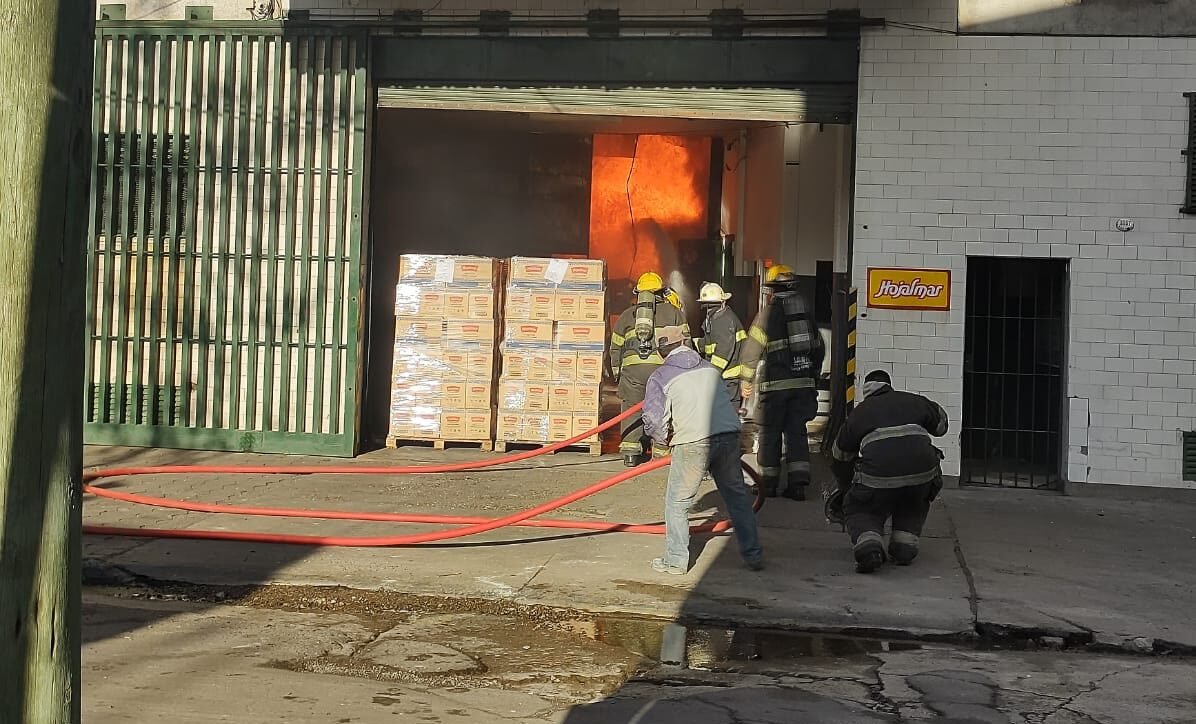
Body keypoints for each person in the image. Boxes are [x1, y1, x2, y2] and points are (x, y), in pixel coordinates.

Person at [641, 325, 763, 575]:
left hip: (694, 442)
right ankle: (753, 555)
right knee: (738, 498)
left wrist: (663, 440)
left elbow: (654, 420)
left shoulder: (661, 376)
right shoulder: (710, 369)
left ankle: (675, 561)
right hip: (728, 436)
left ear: (662, 350)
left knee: (677, 503)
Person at [830, 369, 949, 573]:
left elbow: (840, 456)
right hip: (922, 474)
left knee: (860, 507)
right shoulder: (913, 401)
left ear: (866, 391)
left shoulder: (860, 412)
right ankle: (904, 547)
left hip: (879, 476)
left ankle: (869, 547)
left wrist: (846, 488)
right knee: (913, 500)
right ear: (889, 386)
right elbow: (941, 426)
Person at [738, 264, 825, 500]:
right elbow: (819, 348)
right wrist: (812, 375)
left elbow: (751, 351)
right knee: (797, 432)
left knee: (769, 434)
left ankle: (768, 483)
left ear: (772, 290)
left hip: (775, 388)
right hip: (803, 386)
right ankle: (798, 485)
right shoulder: (805, 314)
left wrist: (745, 379)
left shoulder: (767, 315)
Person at [609, 271, 690, 467]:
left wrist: (617, 373)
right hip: (663, 370)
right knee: (661, 408)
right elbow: (685, 343)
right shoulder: (674, 313)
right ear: (661, 293)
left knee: (631, 407)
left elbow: (615, 347)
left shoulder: (627, 315)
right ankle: (660, 450)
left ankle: (630, 452)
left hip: (633, 372)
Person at [696, 282, 747, 409]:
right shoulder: (715, 318)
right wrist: (695, 344)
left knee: (726, 417)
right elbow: (710, 342)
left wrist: (711, 374)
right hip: (723, 377)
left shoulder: (724, 320)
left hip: (728, 378)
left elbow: (723, 351)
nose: (707, 309)